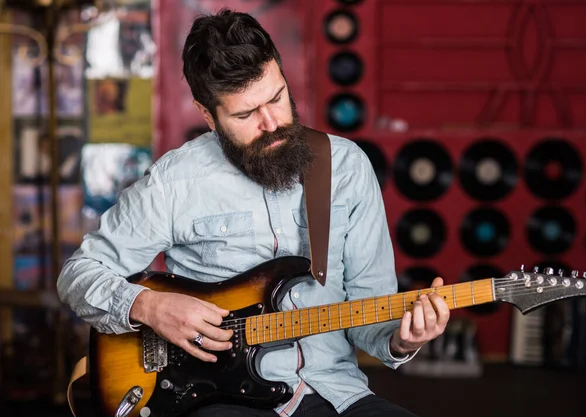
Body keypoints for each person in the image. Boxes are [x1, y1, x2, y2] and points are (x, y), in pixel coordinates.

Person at [57, 8, 450, 417]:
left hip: (335, 391)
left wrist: (403, 340)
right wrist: (151, 307)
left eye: (277, 97)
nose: (271, 123)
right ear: (208, 116)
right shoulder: (174, 181)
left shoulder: (346, 168)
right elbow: (78, 274)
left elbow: (371, 310)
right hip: (215, 397)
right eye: (245, 114)